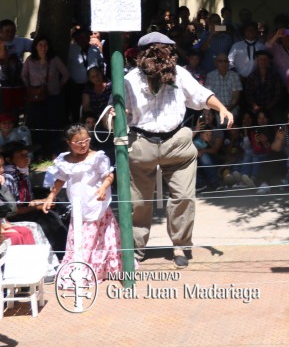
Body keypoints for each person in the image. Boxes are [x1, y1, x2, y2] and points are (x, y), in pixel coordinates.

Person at [120, 32, 234, 269]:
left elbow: (200, 94)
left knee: (183, 197)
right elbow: (117, 109)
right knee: (138, 202)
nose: (164, 55)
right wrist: (115, 117)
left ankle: (180, 245)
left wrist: (221, 108)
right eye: (158, 51)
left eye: (167, 51)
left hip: (176, 141)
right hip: (142, 141)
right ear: (144, 55)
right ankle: (136, 250)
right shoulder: (129, 79)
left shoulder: (179, 74)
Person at [41, 124, 122, 281]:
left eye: (86, 140)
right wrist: (51, 196)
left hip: (97, 204)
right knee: (79, 239)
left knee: (98, 239)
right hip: (79, 207)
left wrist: (103, 188)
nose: (84, 144)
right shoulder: (65, 160)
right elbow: (60, 179)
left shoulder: (98, 157)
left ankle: (101, 269)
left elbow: (109, 175)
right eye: (79, 142)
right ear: (69, 143)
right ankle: (80, 269)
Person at [3, 141, 68, 257]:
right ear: (9, 160)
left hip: (23, 208)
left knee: (58, 205)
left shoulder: (22, 172)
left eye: (26, 155)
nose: (26, 158)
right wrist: (37, 207)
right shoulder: (8, 178)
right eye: (21, 155)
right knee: (47, 216)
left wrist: (42, 201)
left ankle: (72, 242)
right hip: (11, 215)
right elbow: (12, 210)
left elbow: (27, 198)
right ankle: (63, 253)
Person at [22, 35, 70, 158]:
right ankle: (39, 153)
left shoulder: (54, 59)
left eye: (45, 45)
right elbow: (24, 75)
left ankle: (54, 151)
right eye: (40, 45)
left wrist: (58, 86)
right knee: (37, 124)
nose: (43, 48)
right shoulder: (30, 61)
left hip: (53, 96)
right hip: (36, 98)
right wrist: (29, 88)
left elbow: (65, 74)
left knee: (54, 124)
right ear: (36, 47)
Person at [205, 52, 243, 120]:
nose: (223, 63)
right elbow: (208, 95)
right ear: (216, 63)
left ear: (228, 63)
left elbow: (236, 96)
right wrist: (219, 109)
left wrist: (228, 109)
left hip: (232, 109)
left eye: (225, 61)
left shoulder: (234, 76)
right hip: (215, 111)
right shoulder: (210, 76)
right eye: (220, 61)